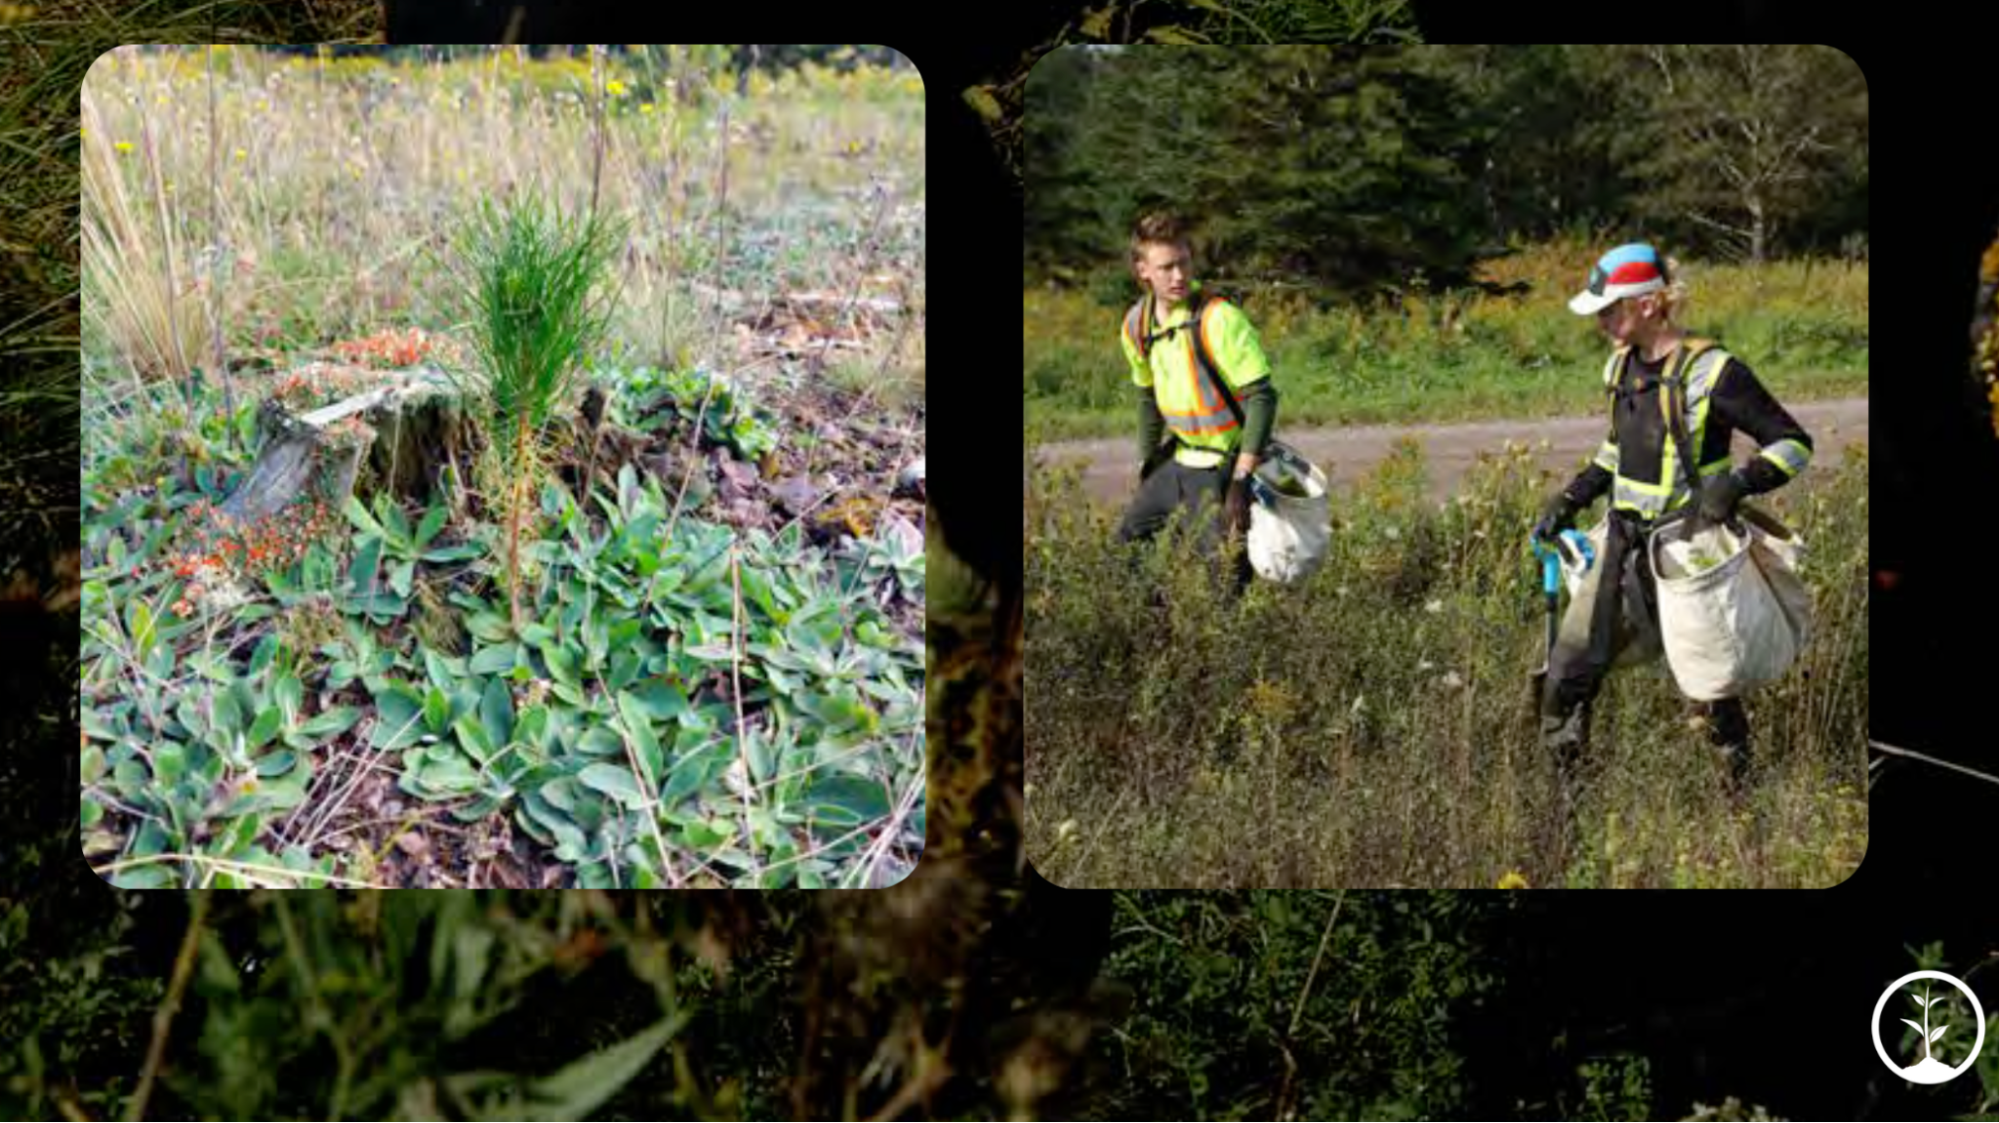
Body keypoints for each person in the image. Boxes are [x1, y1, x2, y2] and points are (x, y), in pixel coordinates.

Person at [1533, 243, 1813, 800]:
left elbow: (1794, 444)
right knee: (1566, 672)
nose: (1599, 320)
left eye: (1608, 309)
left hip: (1690, 554)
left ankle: (1739, 804)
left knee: (1707, 689)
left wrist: (1737, 484)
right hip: (1621, 547)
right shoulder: (1619, 367)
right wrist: (1569, 498)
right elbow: (1616, 451)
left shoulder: (1715, 373)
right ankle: (1565, 807)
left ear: (1647, 305)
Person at [1115, 212, 1278, 598]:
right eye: (1166, 267)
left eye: (1184, 262)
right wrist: (1147, 460)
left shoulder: (1219, 318)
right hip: (1179, 459)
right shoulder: (1136, 325)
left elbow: (1263, 397)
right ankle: (1156, 630)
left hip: (1225, 466)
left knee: (1223, 579)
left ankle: (1235, 650)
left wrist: (1240, 481)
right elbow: (1147, 398)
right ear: (1143, 271)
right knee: (1125, 550)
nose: (1178, 276)